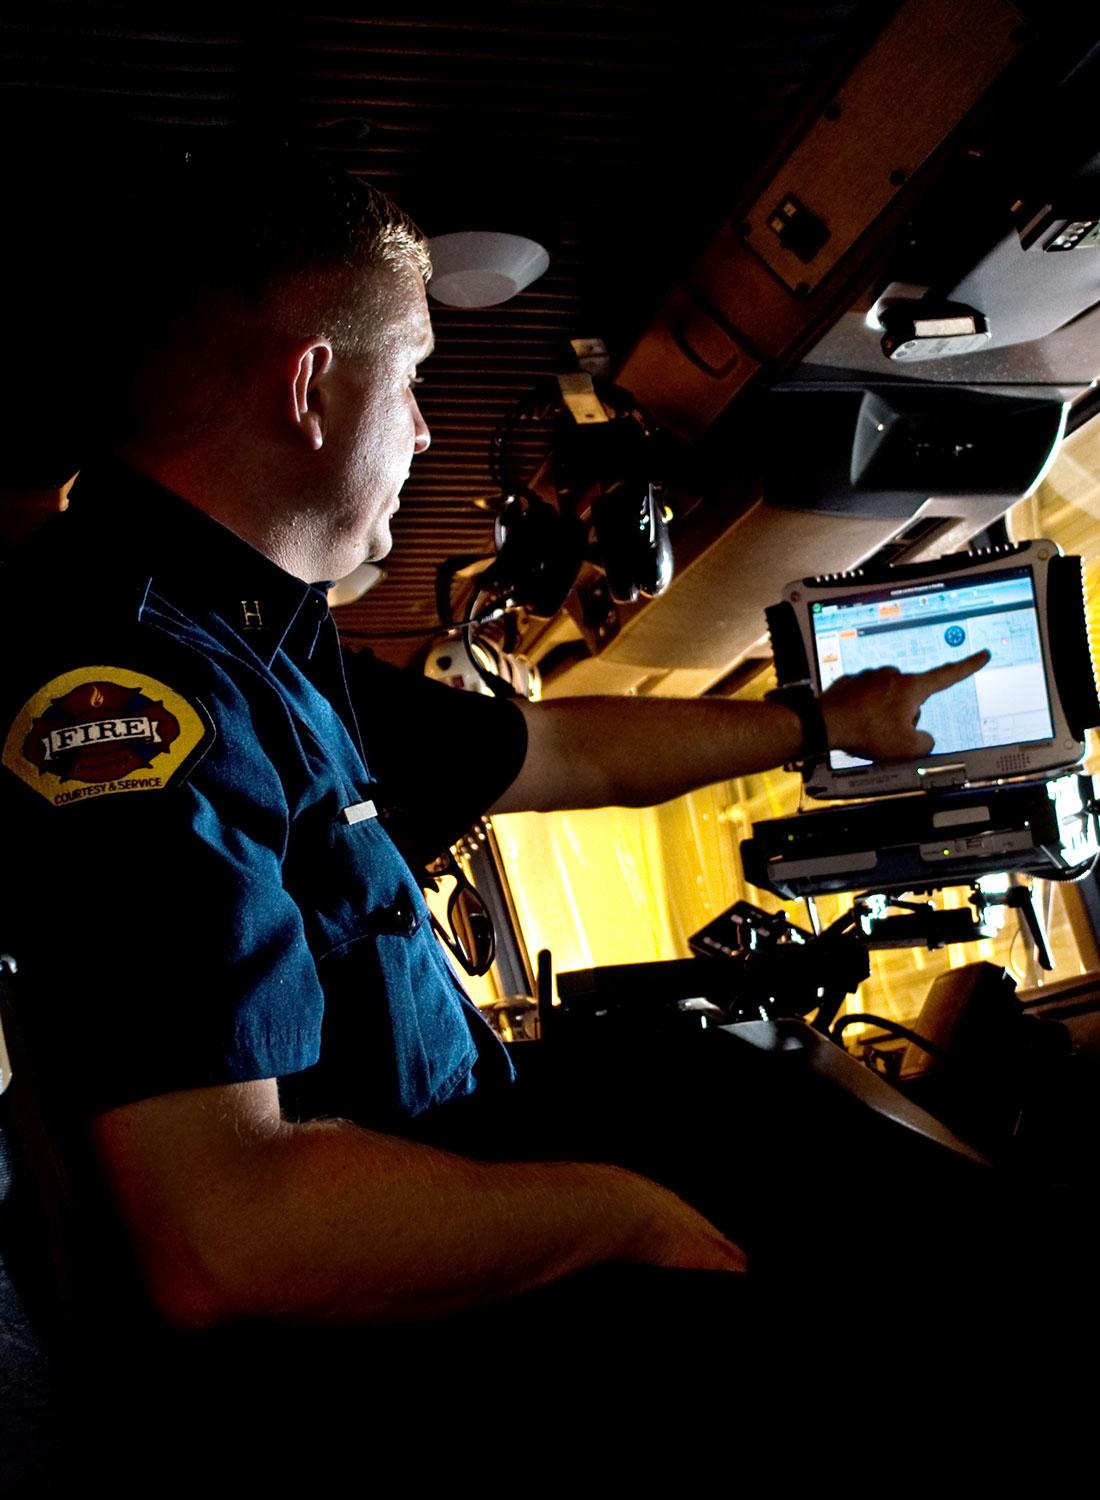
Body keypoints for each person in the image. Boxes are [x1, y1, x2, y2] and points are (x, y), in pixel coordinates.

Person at [0, 150, 989, 1387]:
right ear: (311, 387)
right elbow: (229, 1234)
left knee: (756, 1097)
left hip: (465, 1136)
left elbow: (557, 746)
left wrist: (824, 723)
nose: (421, 427)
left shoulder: (252, 642)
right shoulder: (118, 690)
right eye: (411, 374)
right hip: (380, 1348)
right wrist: (616, 1215)